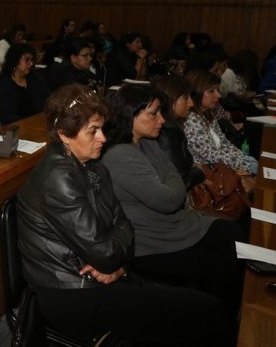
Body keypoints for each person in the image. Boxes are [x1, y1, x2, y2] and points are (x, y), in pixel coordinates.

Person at [17, 84, 225, 346]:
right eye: (93, 131)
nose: (103, 138)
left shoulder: (93, 166)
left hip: (102, 278)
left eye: (102, 129)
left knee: (202, 309)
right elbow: (107, 249)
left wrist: (119, 265)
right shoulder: (58, 179)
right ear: (64, 135)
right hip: (71, 294)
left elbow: (124, 226)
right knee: (203, 312)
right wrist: (113, 256)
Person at [102, 84, 246, 336]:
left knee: (234, 232)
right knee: (222, 267)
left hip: (173, 225)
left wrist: (173, 184)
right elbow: (169, 198)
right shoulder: (120, 156)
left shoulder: (147, 143)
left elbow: (173, 182)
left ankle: (231, 318)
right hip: (151, 241)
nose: (161, 120)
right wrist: (174, 184)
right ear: (130, 115)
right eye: (153, 113)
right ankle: (224, 328)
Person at [183, 68, 258, 174]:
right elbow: (212, 156)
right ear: (196, 92)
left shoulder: (208, 114)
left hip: (223, 167)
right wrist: (248, 165)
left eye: (218, 90)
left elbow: (225, 144)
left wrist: (244, 158)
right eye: (211, 91)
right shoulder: (191, 121)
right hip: (210, 173)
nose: (218, 95)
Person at [151, 74, 205, 190]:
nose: (191, 103)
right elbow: (179, 181)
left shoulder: (171, 126)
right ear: (170, 98)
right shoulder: (165, 133)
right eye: (185, 98)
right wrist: (200, 171)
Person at [0, 43, 48, 124]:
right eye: (27, 60)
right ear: (15, 60)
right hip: (17, 128)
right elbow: (5, 116)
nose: (31, 63)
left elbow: (48, 101)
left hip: (38, 123)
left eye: (31, 60)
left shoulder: (36, 79)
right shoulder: (3, 86)